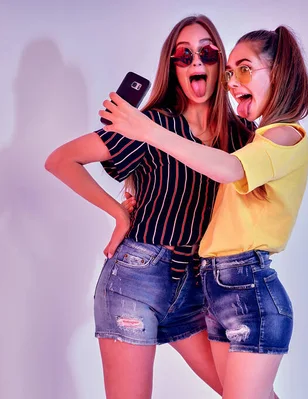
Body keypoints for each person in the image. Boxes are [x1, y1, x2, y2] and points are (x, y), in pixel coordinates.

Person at [44, 15, 255, 399]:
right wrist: (119, 212)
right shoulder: (152, 124)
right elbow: (61, 160)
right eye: (184, 55)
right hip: (135, 279)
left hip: (199, 286)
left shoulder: (243, 137)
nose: (196, 62)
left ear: (221, 65)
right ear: (172, 68)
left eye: (207, 53)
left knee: (251, 393)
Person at [99, 25, 308, 399]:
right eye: (230, 72)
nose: (232, 81)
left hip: (248, 288)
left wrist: (148, 130)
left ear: (278, 74)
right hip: (211, 291)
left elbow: (227, 169)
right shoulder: (254, 138)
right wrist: (124, 209)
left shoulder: (285, 136)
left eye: (243, 69)